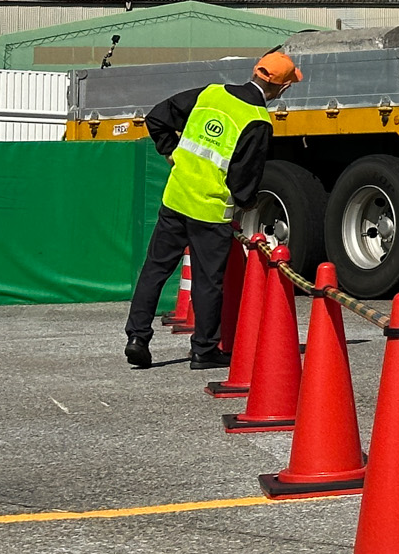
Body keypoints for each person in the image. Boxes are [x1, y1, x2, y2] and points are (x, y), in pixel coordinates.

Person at [122, 51, 302, 369]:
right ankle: (203, 350)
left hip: (176, 199)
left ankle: (137, 337)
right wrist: (246, 206)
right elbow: (244, 181)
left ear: (255, 71)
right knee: (208, 282)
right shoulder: (258, 122)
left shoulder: (210, 93)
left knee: (155, 271)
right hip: (210, 211)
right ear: (283, 88)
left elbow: (157, 118)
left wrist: (172, 155)